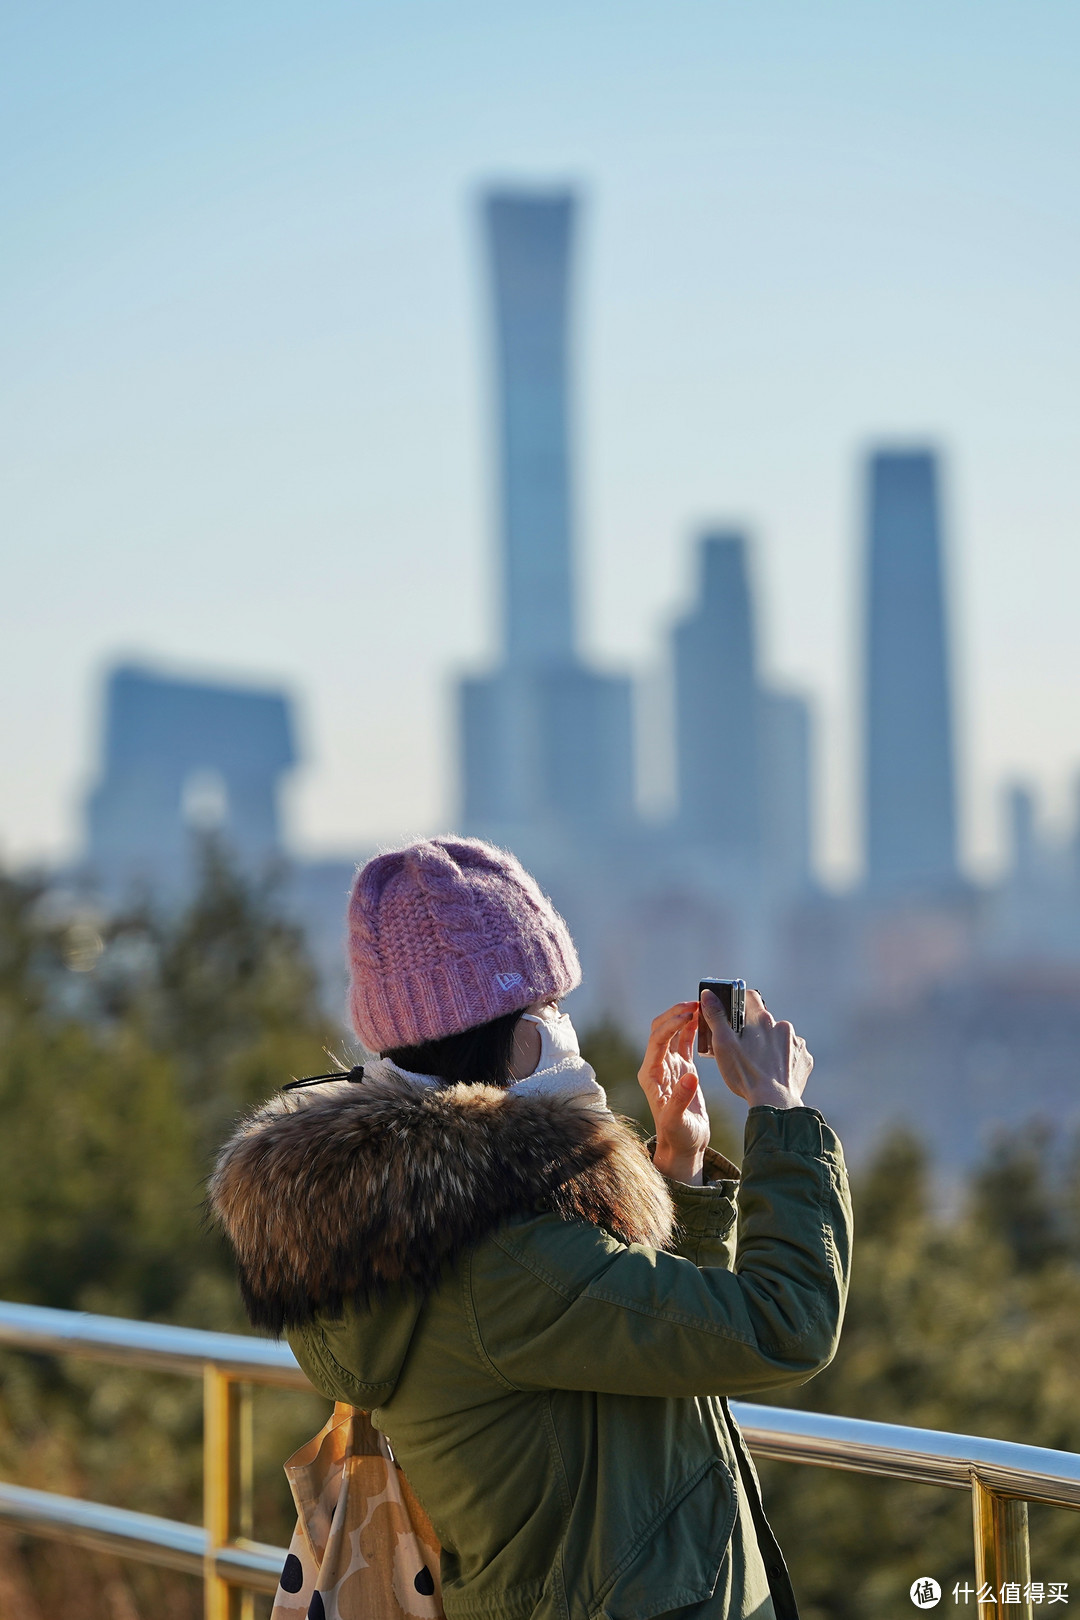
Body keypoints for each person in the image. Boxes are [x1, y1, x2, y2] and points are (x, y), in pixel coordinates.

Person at [211, 836, 852, 1620]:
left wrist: (678, 1169)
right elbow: (784, 1325)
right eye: (548, 1006)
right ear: (509, 1032)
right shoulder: (507, 1263)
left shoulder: (424, 1232)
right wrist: (780, 1114)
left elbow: (641, 1338)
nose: (563, 1022)